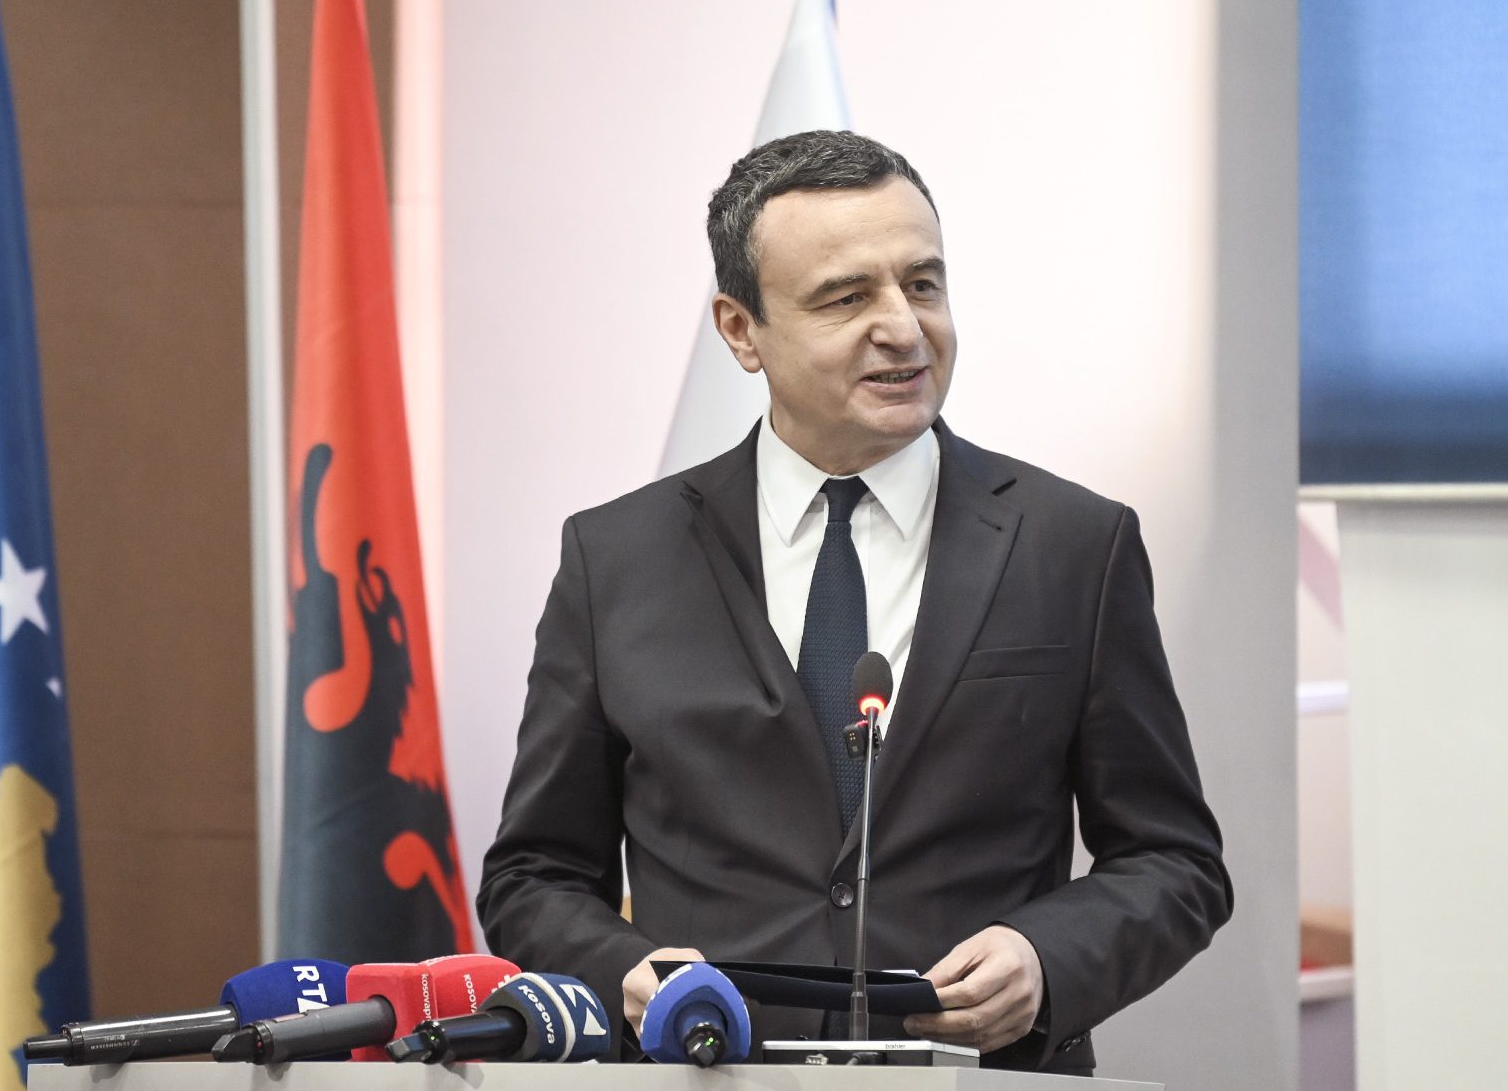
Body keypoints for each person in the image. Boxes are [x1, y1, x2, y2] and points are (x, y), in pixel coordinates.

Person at [477, 130, 1231, 1075]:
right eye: (847, 298)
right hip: (710, 1074)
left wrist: (1046, 959)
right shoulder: (615, 558)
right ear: (740, 330)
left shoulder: (1076, 544)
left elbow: (1175, 863)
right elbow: (533, 877)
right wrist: (624, 973)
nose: (905, 328)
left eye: (923, 284)